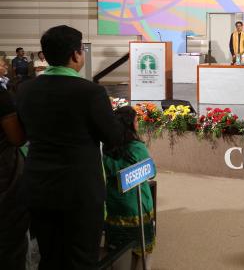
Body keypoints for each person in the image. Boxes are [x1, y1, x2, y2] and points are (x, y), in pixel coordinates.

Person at [16, 25, 124, 269]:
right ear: (76, 54)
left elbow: (21, 134)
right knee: (81, 258)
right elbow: (114, 137)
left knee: (49, 257)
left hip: (38, 188)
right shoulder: (91, 92)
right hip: (80, 192)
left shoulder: (25, 89)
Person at [103, 106, 155, 270]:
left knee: (118, 254)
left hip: (115, 206)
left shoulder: (106, 148)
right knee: (142, 253)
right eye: (136, 120)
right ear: (130, 124)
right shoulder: (137, 147)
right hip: (137, 207)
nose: (137, 123)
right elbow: (151, 171)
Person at [0, 59, 29, 270]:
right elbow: (17, 137)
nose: (3, 64)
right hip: (4, 174)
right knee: (10, 240)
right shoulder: (2, 97)